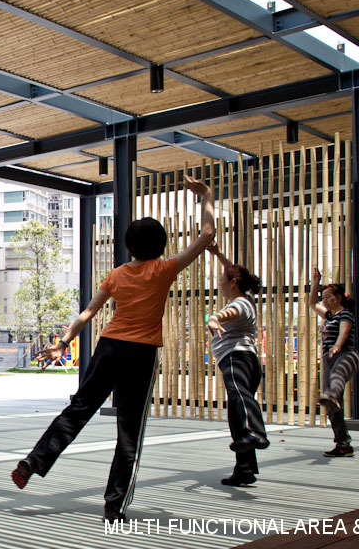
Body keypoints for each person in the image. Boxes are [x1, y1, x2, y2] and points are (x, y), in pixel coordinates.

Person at [11, 174, 215, 522]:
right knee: (129, 429)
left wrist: (62, 344)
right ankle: (113, 505)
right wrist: (206, 195)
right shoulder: (164, 269)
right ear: (161, 246)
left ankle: (34, 461)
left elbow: (88, 313)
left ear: (128, 246)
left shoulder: (117, 274)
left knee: (78, 409)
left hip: (109, 347)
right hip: (141, 352)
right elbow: (208, 235)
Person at [204, 243, 268, 486]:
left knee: (238, 394)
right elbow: (231, 270)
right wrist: (219, 254)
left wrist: (213, 318)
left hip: (236, 357)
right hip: (246, 360)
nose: (220, 282)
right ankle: (244, 469)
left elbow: (224, 316)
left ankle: (257, 432)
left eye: (222, 279)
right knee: (235, 414)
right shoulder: (245, 299)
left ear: (232, 283)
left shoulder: (239, 304)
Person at [311, 267, 358, 458]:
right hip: (330, 359)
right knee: (332, 407)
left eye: (328, 297)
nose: (324, 300)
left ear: (338, 297)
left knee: (335, 383)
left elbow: (344, 332)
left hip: (346, 355)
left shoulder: (344, 314)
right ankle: (343, 444)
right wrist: (315, 283)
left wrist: (337, 346)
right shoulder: (329, 316)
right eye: (324, 297)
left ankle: (332, 394)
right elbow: (312, 303)